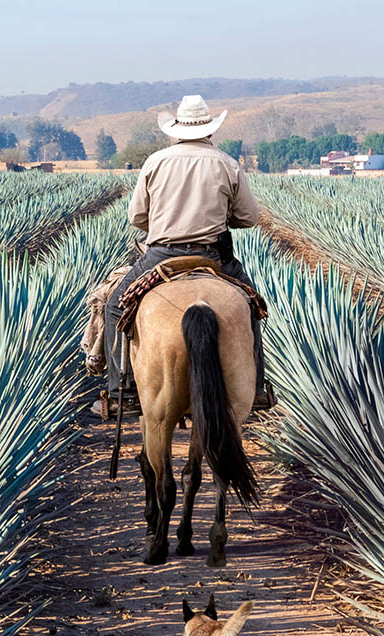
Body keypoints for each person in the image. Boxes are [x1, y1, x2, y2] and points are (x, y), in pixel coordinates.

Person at [101, 94, 270, 414]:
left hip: (161, 256)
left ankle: (121, 389)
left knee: (114, 307)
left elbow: (137, 218)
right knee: (250, 306)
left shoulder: (156, 162)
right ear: (209, 129)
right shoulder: (226, 164)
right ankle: (256, 389)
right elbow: (247, 218)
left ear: (177, 129)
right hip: (213, 257)